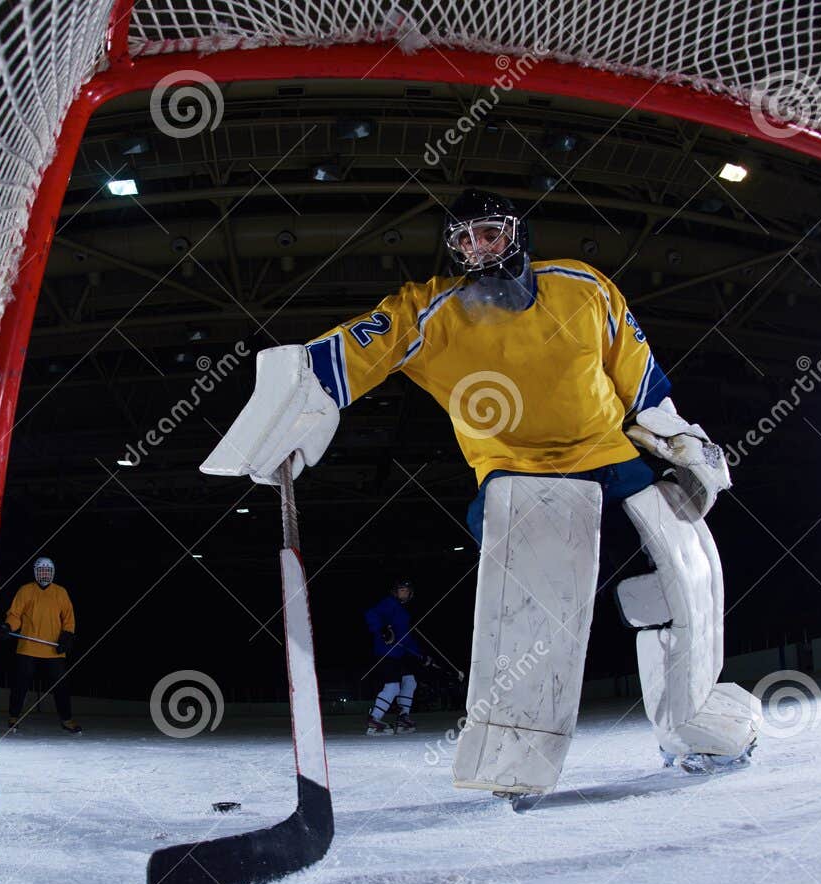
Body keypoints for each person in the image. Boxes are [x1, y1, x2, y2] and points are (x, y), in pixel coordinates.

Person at [201, 189, 759, 797]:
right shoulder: (429, 312)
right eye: (464, 240)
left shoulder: (585, 287)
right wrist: (284, 415)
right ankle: (514, 753)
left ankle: (694, 722)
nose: (478, 249)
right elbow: (338, 359)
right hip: (517, 473)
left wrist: (680, 440)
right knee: (534, 607)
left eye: (489, 233)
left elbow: (639, 379)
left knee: (681, 572)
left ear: (517, 233)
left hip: (609, 455)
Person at [0, 556, 79, 733]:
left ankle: (67, 719)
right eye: (41, 571)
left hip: (53, 648)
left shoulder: (60, 592)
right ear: (35, 573)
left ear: (52, 573)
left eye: (47, 571)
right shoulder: (26, 591)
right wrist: (7, 626)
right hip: (28, 646)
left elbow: (68, 619)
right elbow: (15, 615)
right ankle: (14, 717)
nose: (44, 574)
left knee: (61, 685)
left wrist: (67, 636)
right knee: (20, 684)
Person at [364, 578, 425, 735]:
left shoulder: (403, 612)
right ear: (395, 592)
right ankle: (374, 720)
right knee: (392, 687)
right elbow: (371, 614)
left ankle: (403, 718)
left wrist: (421, 655)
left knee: (410, 681)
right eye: (401, 590)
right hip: (385, 653)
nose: (404, 594)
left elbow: (407, 640)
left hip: (399, 655)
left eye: (407, 591)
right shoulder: (389, 604)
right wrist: (382, 629)